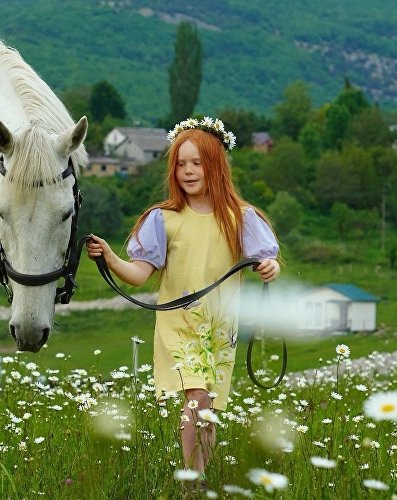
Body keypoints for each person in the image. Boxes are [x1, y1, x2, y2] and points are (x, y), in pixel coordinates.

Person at [86, 117, 280, 483]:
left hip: (221, 328)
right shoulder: (164, 219)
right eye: (181, 163)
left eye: (197, 163)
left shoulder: (240, 218)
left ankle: (200, 475)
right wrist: (110, 259)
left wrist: (270, 268)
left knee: (210, 409)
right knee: (196, 397)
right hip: (180, 324)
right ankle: (194, 481)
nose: (188, 171)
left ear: (216, 166)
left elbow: (265, 262)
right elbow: (140, 273)